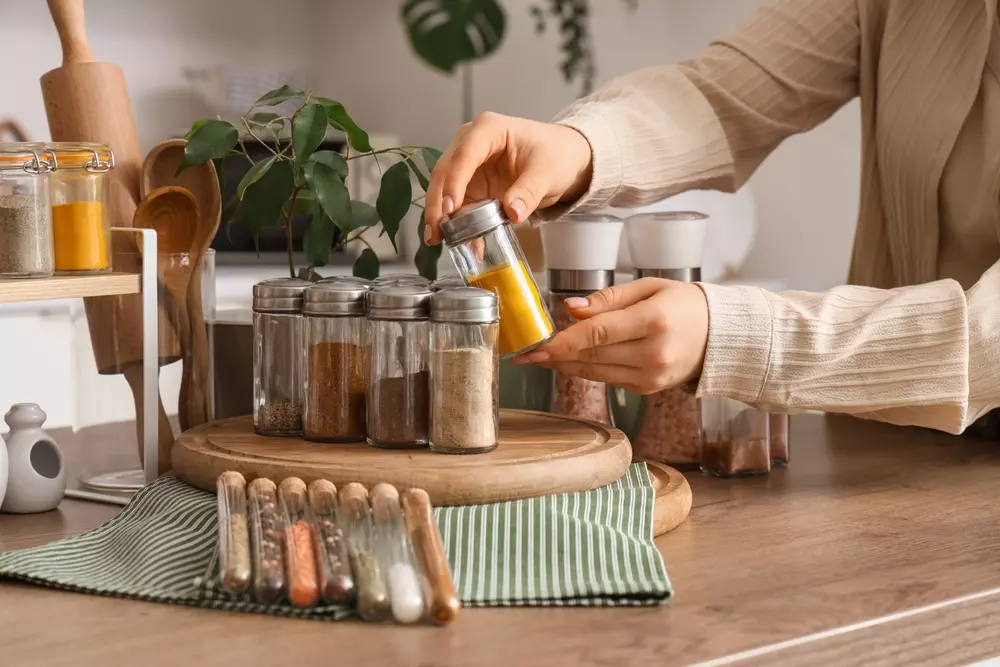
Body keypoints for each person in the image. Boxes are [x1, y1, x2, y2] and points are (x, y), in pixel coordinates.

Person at [423, 0, 1000, 436]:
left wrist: (735, 335)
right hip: (877, 453)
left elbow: (987, 336)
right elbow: (721, 93)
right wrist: (579, 147)